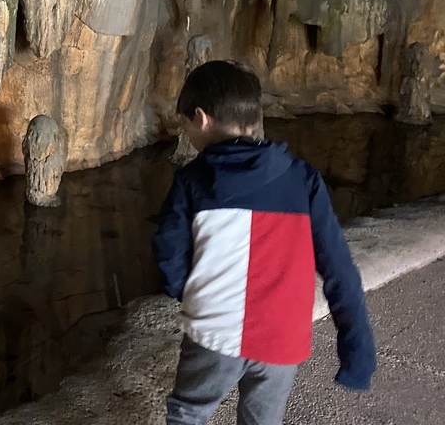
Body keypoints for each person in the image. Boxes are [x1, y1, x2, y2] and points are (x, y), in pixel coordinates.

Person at [153, 60, 376, 425]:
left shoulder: (192, 180)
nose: (187, 134)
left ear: (202, 118)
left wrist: (186, 290)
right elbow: (338, 265)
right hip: (282, 335)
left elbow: (168, 252)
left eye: (185, 124)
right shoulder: (302, 178)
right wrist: (357, 348)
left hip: (215, 329)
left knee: (190, 412)